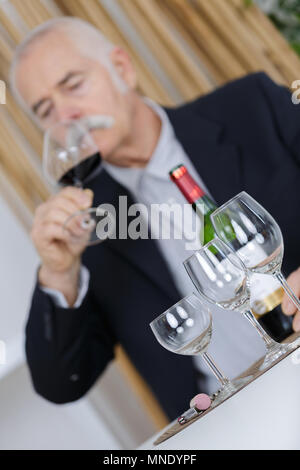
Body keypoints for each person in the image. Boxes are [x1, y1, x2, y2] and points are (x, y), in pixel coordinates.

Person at [10, 17, 300, 421]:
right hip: (227, 426)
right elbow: (63, 383)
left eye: (73, 85)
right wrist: (59, 273)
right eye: (45, 110)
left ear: (122, 69)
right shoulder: (87, 230)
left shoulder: (250, 107)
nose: (66, 116)